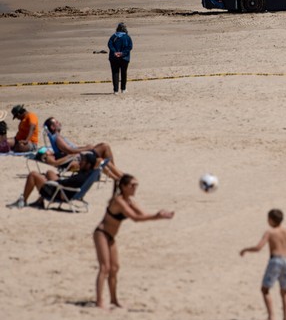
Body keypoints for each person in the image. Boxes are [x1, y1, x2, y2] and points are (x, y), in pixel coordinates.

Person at [93, 174, 174, 309]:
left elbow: (142, 215)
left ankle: (113, 300)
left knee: (114, 268)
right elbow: (135, 218)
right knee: (105, 267)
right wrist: (156, 216)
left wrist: (160, 216)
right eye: (132, 185)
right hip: (101, 234)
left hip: (111, 237)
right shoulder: (118, 201)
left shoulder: (130, 201)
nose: (135, 188)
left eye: (136, 185)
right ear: (124, 187)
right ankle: (99, 301)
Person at [240, 209, 286, 320]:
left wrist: (245, 250)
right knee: (284, 291)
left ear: (271, 220)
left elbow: (258, 248)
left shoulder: (270, 232)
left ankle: (271, 317)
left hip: (275, 260)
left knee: (265, 289)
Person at [6, 151, 97, 209]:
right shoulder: (88, 173)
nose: (80, 162)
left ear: (88, 164)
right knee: (50, 172)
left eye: (83, 161)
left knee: (33, 175)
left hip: (59, 192)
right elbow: (69, 182)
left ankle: (23, 201)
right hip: (65, 189)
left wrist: (48, 180)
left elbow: (64, 183)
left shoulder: (81, 177)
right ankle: (39, 201)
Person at [43, 117, 123, 180]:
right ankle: (116, 172)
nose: (59, 123)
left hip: (78, 156)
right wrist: (86, 149)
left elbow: (71, 149)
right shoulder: (57, 138)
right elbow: (69, 151)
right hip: (78, 158)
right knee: (105, 146)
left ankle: (115, 172)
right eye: (56, 122)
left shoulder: (58, 137)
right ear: (53, 127)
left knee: (103, 147)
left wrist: (85, 147)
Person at [108, 23, 133, 94]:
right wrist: (122, 53)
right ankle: (123, 89)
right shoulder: (127, 37)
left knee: (115, 73)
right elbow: (129, 47)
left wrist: (115, 52)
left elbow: (110, 45)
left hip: (114, 57)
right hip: (124, 58)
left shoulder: (113, 36)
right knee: (123, 73)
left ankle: (116, 90)